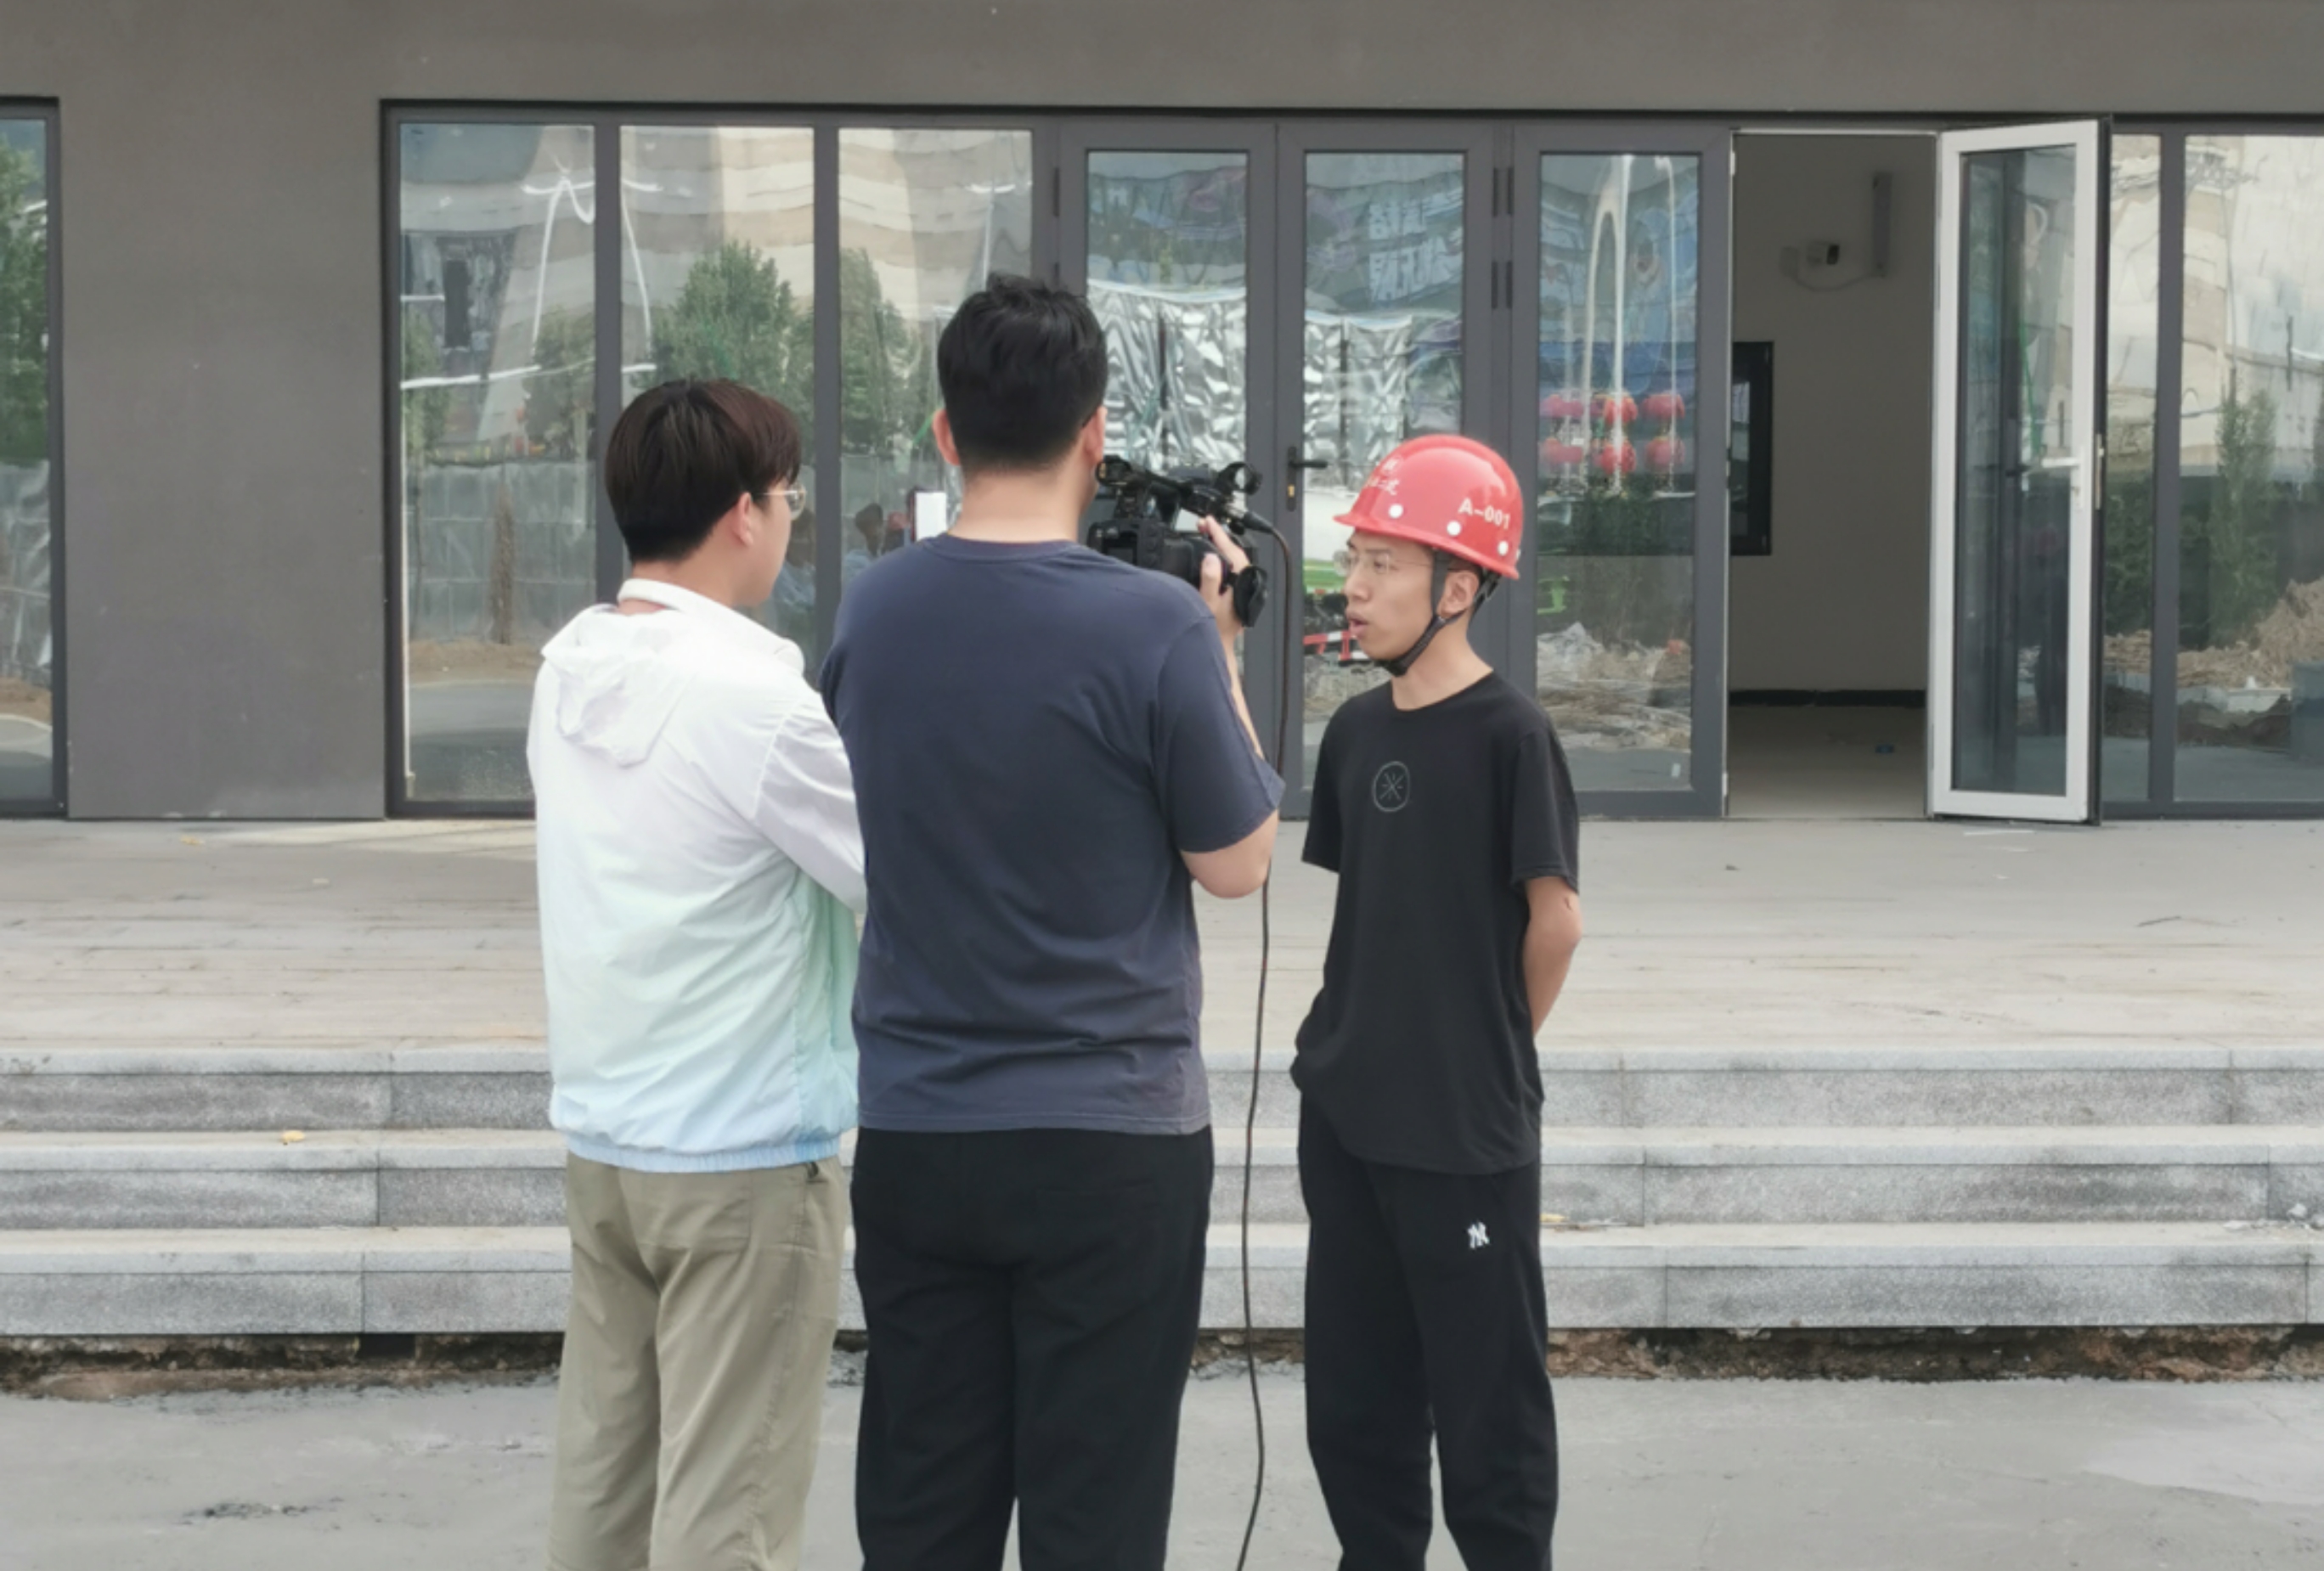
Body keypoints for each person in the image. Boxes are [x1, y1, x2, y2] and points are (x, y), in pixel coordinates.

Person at [822, 274, 1283, 1571]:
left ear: (945, 433)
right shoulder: (1156, 626)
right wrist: (1222, 650)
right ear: (1095, 434)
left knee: (923, 1509)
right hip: (1112, 1142)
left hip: (919, 1124)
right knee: (1097, 1519)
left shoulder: (874, 609)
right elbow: (1240, 860)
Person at [527, 379, 864, 1571]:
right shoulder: (757, 701)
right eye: (788, 495)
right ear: (742, 513)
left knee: (603, 1488)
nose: (791, 517)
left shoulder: (568, 671)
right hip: (743, 1156)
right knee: (731, 1512)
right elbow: (896, 873)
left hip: (608, 1143)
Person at [1294, 434, 1583, 1571]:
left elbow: (1555, 921)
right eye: (1356, 562)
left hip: (1463, 1135)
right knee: (1354, 1406)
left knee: (1487, 1415)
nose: (1355, 588)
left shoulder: (1514, 735)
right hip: (1349, 1118)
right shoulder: (1355, 730)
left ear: (1459, 589)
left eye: (1383, 565)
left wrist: (1487, 1041)